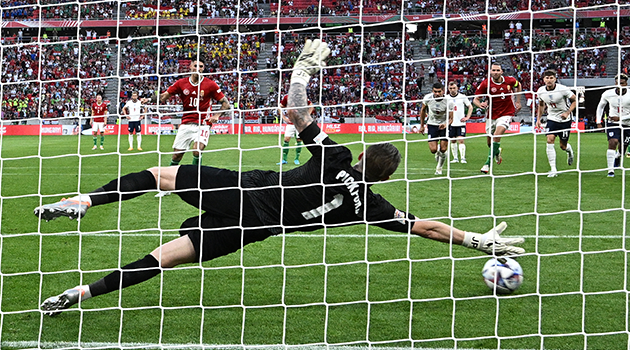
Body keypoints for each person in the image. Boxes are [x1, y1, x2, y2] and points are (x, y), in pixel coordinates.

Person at [34, 39, 525, 316]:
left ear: (364, 155)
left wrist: (302, 71)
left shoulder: (335, 156)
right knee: (163, 258)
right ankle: (81, 295)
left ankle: (85, 202)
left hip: (251, 189)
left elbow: (295, 111)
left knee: (159, 174)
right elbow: (427, 228)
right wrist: (476, 240)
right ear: (384, 176)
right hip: (254, 230)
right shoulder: (370, 207)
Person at [156, 58, 230, 196]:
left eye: (201, 66)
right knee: (177, 155)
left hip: (203, 124)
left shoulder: (210, 85)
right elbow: (164, 96)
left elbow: (226, 103)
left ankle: (195, 183)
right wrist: (150, 100)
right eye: (196, 65)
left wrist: (217, 116)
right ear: (190, 67)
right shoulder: (181, 83)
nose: (198, 68)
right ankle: (167, 187)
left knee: (197, 150)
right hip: (186, 123)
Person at [473, 62, 522, 174]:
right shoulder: (486, 84)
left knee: (496, 135)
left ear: (501, 72)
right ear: (490, 71)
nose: (495, 72)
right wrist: (479, 104)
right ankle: (497, 151)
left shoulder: (510, 81)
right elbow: (476, 99)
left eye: (497, 70)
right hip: (492, 114)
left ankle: (487, 164)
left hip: (507, 113)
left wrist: (518, 101)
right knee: (490, 143)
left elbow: (518, 85)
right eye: (493, 70)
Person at [596, 73, 630, 177]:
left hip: (628, 124)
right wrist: (598, 121)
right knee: (613, 142)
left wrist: (621, 118)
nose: (620, 85)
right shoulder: (607, 93)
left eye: (622, 83)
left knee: (623, 149)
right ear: (615, 83)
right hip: (613, 122)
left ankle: (618, 156)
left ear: (626, 83)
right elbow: (600, 107)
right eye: (618, 83)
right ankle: (610, 170)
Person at [535, 69, 576, 178]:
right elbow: (541, 105)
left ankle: (569, 150)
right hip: (552, 118)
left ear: (555, 79)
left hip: (564, 120)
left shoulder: (563, 89)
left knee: (563, 146)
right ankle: (553, 169)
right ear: (543, 79)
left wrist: (567, 113)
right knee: (550, 139)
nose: (549, 80)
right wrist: (538, 119)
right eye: (547, 78)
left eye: (551, 78)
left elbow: (575, 100)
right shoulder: (540, 91)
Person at [419, 82, 452, 176]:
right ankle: (438, 153)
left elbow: (451, 118)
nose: (437, 94)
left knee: (443, 149)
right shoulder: (428, 98)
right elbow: (423, 110)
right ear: (432, 91)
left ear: (443, 91)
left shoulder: (448, 101)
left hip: (444, 125)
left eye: (439, 92)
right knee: (433, 150)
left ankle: (439, 168)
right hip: (432, 124)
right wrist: (422, 125)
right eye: (435, 91)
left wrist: (446, 124)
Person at [277, 94, 313, 165]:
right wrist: (284, 118)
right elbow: (279, 107)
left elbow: (311, 105)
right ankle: (284, 159)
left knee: (299, 139)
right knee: (286, 139)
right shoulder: (287, 97)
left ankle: (296, 159)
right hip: (290, 123)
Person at [447, 81, 473, 164]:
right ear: (448, 89)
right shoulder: (446, 98)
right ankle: (455, 158)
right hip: (451, 123)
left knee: (461, 140)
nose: (452, 90)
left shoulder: (462, 97)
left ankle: (463, 158)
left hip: (461, 122)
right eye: (450, 88)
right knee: (453, 140)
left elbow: (470, 106)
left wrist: (468, 117)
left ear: (457, 88)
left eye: (454, 88)